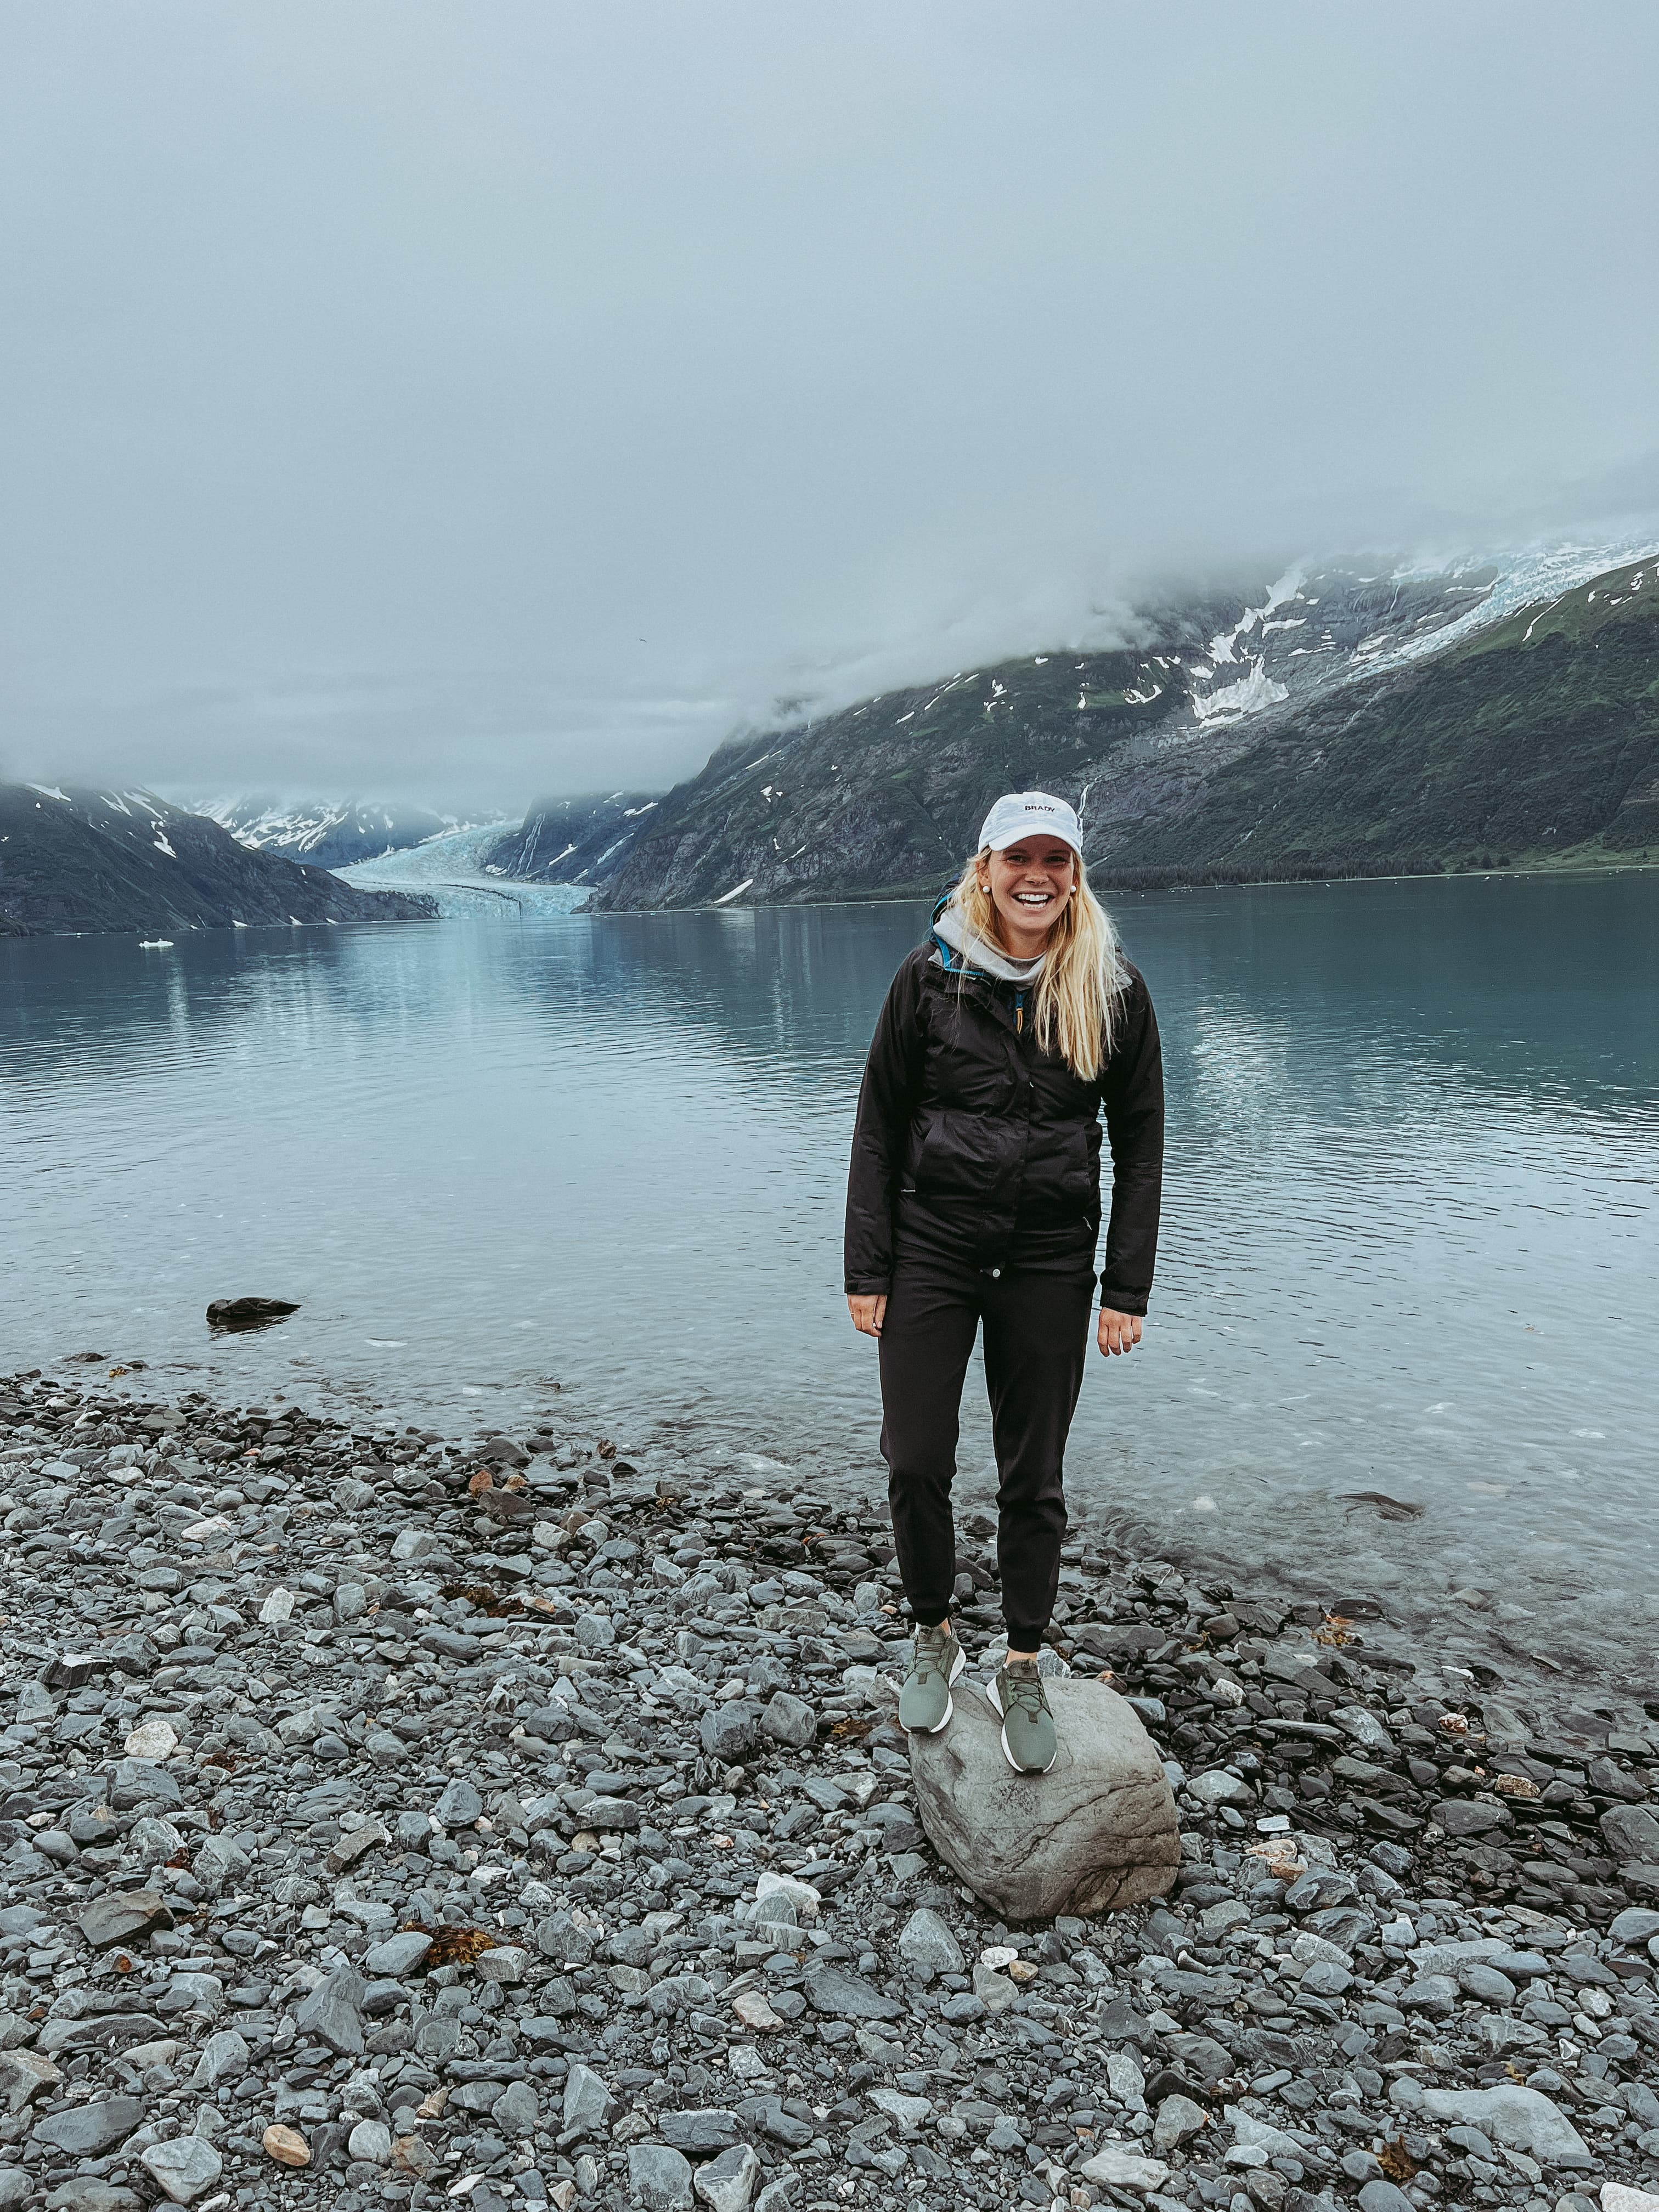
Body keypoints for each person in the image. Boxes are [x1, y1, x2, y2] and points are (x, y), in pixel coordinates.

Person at [843, 791, 1164, 1774]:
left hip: (1047, 1260)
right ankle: (934, 1634)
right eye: (1018, 858)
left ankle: (1021, 1660)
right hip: (932, 1249)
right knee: (916, 1456)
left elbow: (1141, 1142)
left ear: (1076, 874)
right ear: (983, 869)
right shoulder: (927, 978)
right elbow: (880, 1123)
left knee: (1035, 1475)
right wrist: (868, 1268)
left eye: (1055, 861)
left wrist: (1126, 1287)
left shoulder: (1109, 987)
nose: (1037, 877)